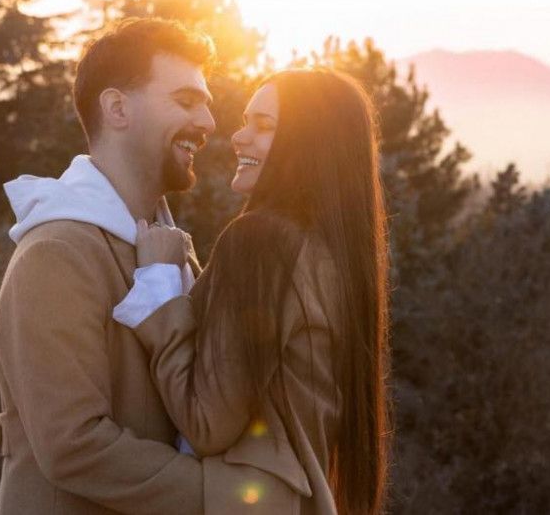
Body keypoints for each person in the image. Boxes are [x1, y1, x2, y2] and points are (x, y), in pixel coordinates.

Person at [0, 18, 283, 514]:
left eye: (206, 103)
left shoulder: (171, 249)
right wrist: (229, 495)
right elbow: (73, 446)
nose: (210, 123)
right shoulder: (56, 254)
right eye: (186, 101)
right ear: (118, 108)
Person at [114, 68, 392, 515]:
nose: (238, 137)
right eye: (246, 121)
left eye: (263, 126)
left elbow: (206, 423)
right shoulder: (331, 254)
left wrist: (159, 286)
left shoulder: (261, 242)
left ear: (309, 145)